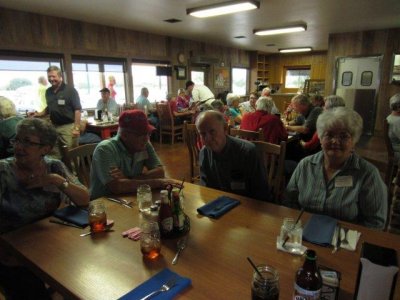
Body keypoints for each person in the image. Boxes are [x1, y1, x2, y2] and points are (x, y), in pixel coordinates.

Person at [0, 118, 89, 299]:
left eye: (27, 142)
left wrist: (57, 181)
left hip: (49, 243)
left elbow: (85, 199)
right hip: (12, 250)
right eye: (17, 140)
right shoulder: (3, 172)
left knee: (83, 276)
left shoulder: (53, 166)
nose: (19, 147)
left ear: (46, 149)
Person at [284, 107, 387, 229]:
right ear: (321, 139)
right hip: (304, 234)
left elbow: (375, 223)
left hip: (344, 242)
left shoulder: (368, 174)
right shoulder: (305, 165)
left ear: (354, 141)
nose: (335, 141)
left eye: (344, 136)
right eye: (329, 135)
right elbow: (289, 203)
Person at [90, 110, 173, 199]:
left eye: (148, 133)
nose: (146, 138)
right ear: (125, 135)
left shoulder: (144, 144)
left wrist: (128, 179)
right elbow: (117, 187)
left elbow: (160, 172)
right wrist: (158, 183)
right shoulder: (105, 149)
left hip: (130, 197)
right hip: (103, 204)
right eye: (141, 134)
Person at [195, 110, 270, 201]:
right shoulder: (204, 153)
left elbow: (261, 193)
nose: (208, 138)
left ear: (225, 129)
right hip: (219, 206)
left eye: (212, 132)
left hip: (248, 206)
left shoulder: (247, 152)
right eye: (202, 134)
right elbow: (205, 189)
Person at [33, 66, 82, 159]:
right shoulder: (48, 91)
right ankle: (59, 172)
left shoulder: (70, 90)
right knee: (55, 154)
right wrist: (38, 114)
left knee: (71, 154)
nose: (51, 79)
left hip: (68, 128)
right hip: (54, 127)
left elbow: (77, 110)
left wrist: (76, 128)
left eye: (53, 76)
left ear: (60, 76)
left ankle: (73, 173)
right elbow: (50, 107)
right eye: (49, 76)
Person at [386, 93, 400, 162]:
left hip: (393, 148)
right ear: (398, 108)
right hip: (397, 151)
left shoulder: (389, 117)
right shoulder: (398, 121)